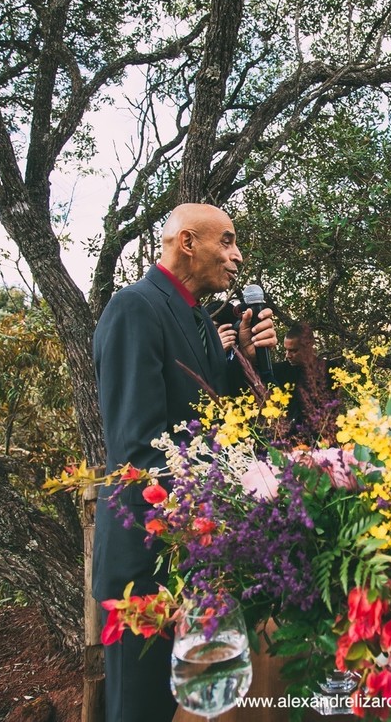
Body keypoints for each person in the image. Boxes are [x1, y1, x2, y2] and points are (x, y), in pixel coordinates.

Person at [92, 203, 277, 722]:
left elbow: (219, 421)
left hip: (194, 553)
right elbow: (139, 447)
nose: (238, 256)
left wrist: (246, 360)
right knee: (142, 708)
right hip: (146, 558)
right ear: (189, 242)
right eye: (229, 241)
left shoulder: (197, 319)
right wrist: (236, 488)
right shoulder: (135, 308)